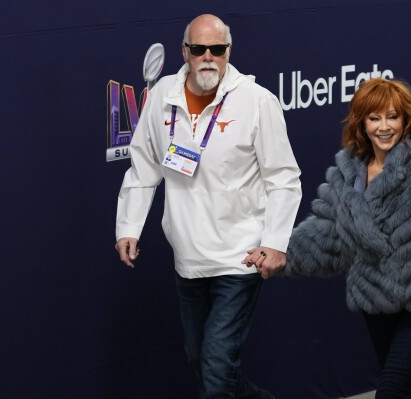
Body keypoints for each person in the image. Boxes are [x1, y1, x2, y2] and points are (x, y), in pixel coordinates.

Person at [245, 78, 411, 398]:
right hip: (374, 303)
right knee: (403, 388)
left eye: (392, 116)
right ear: (361, 122)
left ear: (406, 120)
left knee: (389, 389)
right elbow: (328, 233)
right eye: (375, 118)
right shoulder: (348, 173)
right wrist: (281, 252)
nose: (384, 126)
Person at [115, 14, 301, 399]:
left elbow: (283, 177)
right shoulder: (162, 98)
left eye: (216, 50)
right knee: (202, 362)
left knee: (216, 368)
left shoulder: (256, 102)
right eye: (198, 49)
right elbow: (144, 166)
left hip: (240, 256)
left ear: (228, 52)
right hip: (188, 257)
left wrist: (276, 243)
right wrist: (128, 227)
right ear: (185, 52)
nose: (208, 58)